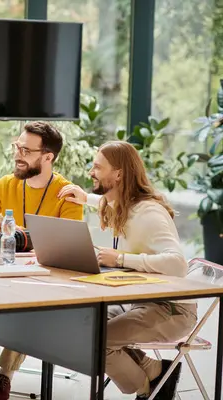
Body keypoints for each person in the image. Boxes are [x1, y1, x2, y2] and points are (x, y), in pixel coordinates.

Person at [0, 121, 84, 400]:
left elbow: (66, 249)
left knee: (29, 302)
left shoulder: (67, 194)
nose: (18, 154)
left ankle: (3, 377)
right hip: (1, 273)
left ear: (48, 157)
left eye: (26, 150)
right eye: (17, 147)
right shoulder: (5, 185)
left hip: (42, 281)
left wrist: (24, 237)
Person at [58, 141, 197, 400]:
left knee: (97, 341)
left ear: (119, 174)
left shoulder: (149, 212)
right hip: (139, 303)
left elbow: (177, 263)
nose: (91, 172)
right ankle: (156, 371)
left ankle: (148, 390)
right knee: (83, 326)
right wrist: (84, 197)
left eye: (98, 167)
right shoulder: (124, 205)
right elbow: (108, 202)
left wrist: (121, 258)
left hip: (171, 310)